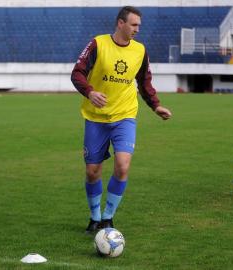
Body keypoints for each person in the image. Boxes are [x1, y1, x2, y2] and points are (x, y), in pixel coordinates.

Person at [71, 6, 172, 233]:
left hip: (125, 116)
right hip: (96, 118)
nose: (137, 29)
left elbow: (144, 82)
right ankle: (94, 216)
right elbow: (77, 72)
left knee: (123, 165)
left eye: (139, 26)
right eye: (134, 25)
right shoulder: (98, 44)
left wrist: (155, 106)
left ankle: (108, 218)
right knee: (92, 171)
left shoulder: (140, 51)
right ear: (120, 23)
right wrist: (90, 92)